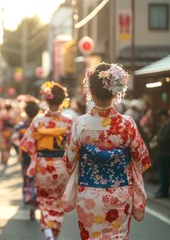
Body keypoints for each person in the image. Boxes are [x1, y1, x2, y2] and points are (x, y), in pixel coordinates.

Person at [62, 62, 151, 239]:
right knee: (117, 236)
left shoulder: (80, 124)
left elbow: (69, 160)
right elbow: (142, 158)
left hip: (89, 194)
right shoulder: (127, 124)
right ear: (116, 92)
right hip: (120, 193)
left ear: (91, 92)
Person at [20, 82, 73, 240]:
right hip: (62, 167)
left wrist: (36, 157)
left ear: (46, 99)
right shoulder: (69, 121)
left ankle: (49, 231)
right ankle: (54, 232)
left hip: (43, 165)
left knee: (44, 200)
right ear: (63, 100)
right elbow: (74, 146)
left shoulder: (38, 121)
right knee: (58, 200)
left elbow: (27, 143)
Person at [11, 95, 40, 220]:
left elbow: (14, 139)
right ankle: (35, 199)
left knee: (26, 177)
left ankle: (28, 198)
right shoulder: (41, 124)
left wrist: (20, 149)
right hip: (39, 155)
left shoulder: (21, 125)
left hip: (26, 156)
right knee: (37, 179)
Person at [152, 109, 170, 198]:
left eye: (162, 116)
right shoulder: (166, 124)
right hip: (161, 152)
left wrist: (157, 139)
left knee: (165, 172)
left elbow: (165, 138)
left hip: (165, 152)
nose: (161, 118)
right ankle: (162, 189)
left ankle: (164, 191)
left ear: (165, 116)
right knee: (162, 172)